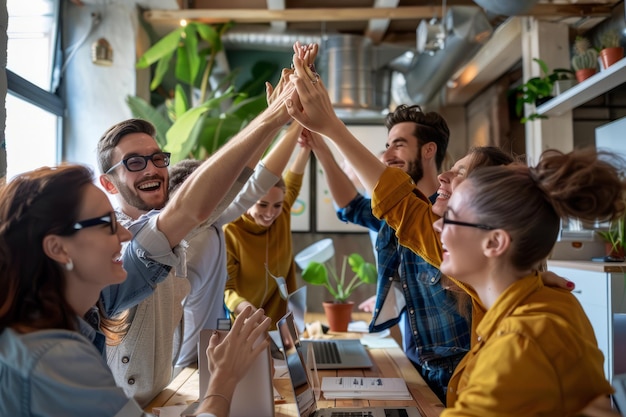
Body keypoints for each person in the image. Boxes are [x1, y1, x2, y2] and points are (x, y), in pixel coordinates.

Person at [0, 164, 271, 417]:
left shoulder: (63, 327)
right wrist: (223, 380)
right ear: (58, 248)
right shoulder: (53, 358)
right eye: (107, 224)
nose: (126, 235)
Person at [96, 70, 296, 405]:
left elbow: (238, 183)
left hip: (163, 394)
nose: (151, 169)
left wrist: (276, 122)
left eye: (157, 159)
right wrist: (273, 119)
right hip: (122, 405)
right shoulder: (114, 239)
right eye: (134, 163)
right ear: (109, 184)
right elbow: (209, 201)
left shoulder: (180, 229)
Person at [431, 148, 621, 415]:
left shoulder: (518, 342)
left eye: (450, 218)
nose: (437, 227)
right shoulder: (552, 299)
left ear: (495, 242)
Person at [169, 120, 306, 368]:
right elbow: (253, 182)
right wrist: (285, 119)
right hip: (196, 357)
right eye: (263, 205)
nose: (270, 212)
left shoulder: (217, 224)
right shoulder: (220, 230)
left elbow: (256, 179)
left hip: (268, 333)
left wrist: (297, 133)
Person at [224, 123, 311, 328]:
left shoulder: (283, 213)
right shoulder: (230, 231)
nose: (271, 213)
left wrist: (305, 147)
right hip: (245, 325)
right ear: (246, 201)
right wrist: (247, 310)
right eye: (262, 205)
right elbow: (227, 290)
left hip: (282, 327)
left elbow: (294, 180)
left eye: (277, 205)